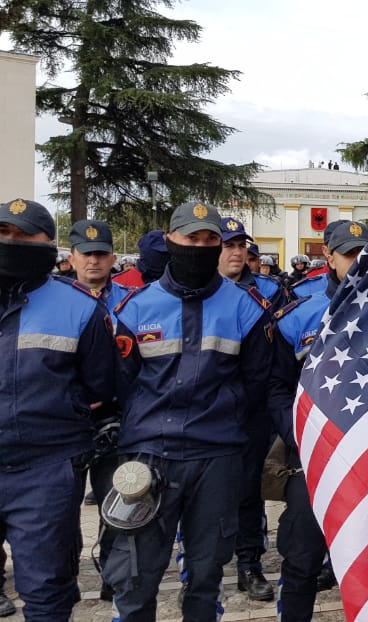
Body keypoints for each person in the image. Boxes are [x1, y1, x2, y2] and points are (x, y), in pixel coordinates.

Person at [105, 200, 277, 621]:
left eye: (209, 239)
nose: (199, 247)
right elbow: (121, 383)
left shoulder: (247, 308)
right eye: (191, 238)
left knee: (206, 574)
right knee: (136, 576)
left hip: (217, 457)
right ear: (170, 240)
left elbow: (256, 384)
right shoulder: (136, 308)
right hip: (150, 455)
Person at [0, 198, 117, 620]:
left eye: (23, 235)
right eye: (3, 232)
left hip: (45, 470)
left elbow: (102, 386)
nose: (10, 241)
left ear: (48, 244)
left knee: (47, 590)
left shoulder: (80, 307)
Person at [269, 221, 368, 621]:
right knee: (301, 561)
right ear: (329, 256)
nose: (359, 261)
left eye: (365, 252)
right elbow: (276, 388)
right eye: (350, 254)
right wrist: (298, 434)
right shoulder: (298, 316)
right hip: (313, 460)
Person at [217, 217, 290, 602]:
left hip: (252, 411)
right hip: (208, 414)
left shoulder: (269, 293)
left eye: (241, 245)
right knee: (204, 501)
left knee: (249, 493)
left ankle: (249, 564)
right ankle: (200, 572)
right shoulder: (199, 293)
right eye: (228, 245)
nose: (236, 252)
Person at [67, 219, 134, 599]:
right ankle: (63, 575)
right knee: (61, 510)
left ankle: (114, 574)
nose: (93, 261)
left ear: (112, 258)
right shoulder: (55, 300)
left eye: (100, 254)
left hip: (117, 418)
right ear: (72, 258)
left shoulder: (132, 300)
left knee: (117, 504)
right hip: (67, 421)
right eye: (86, 254)